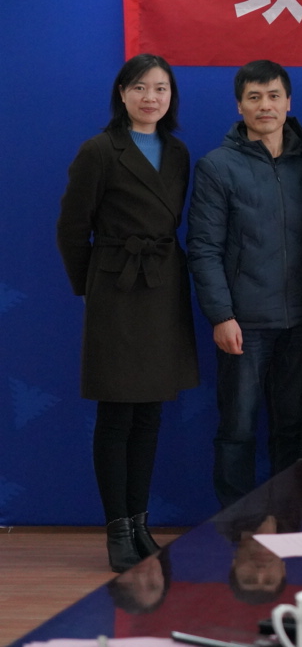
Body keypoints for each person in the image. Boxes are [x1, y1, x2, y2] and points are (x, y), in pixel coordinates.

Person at [57, 54, 198, 571]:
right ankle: (117, 528)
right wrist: (90, 288)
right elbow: (72, 229)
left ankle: (140, 523)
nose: (150, 97)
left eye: (160, 88)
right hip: (116, 289)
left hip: (161, 287)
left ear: (170, 96)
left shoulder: (178, 152)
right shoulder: (99, 150)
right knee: (117, 414)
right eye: (139, 87)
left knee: (150, 414)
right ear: (122, 93)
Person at [188, 59, 302, 509]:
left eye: (274, 96)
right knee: (238, 429)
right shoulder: (217, 166)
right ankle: (235, 527)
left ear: (288, 102)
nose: (265, 106)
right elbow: (203, 249)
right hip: (244, 323)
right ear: (239, 105)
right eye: (254, 97)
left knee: (293, 427)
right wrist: (221, 315)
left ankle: (288, 520)